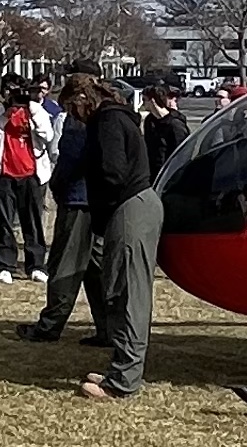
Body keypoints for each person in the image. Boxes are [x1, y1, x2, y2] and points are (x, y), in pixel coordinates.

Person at [76, 76, 161, 401]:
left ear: (85, 98)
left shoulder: (107, 121)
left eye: (74, 106)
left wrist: (102, 205)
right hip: (137, 204)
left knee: (128, 295)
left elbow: (113, 172)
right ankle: (121, 369)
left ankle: (123, 380)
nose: (74, 115)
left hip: (129, 208)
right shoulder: (120, 115)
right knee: (126, 291)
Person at [23, 62, 106, 341]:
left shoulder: (78, 116)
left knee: (64, 265)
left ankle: (49, 326)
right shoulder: (107, 111)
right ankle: (108, 328)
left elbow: (69, 158)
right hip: (98, 200)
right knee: (96, 267)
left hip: (78, 200)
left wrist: (58, 185)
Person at [0, 78, 52, 284]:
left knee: (32, 221)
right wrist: (5, 117)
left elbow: (48, 135)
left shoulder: (36, 111)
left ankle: (36, 265)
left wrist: (32, 112)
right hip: (5, 173)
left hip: (31, 174)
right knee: (3, 222)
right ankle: (5, 265)